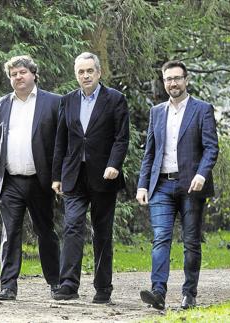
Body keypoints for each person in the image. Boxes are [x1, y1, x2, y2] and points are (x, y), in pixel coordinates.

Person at [136, 60, 219, 310]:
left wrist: (202, 174)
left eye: (177, 78)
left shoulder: (202, 109)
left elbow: (211, 147)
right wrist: (142, 185)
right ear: (164, 82)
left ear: (186, 79)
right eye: (168, 79)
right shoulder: (156, 112)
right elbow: (150, 153)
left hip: (191, 187)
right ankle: (158, 292)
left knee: (191, 241)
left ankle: (189, 293)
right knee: (161, 237)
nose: (173, 83)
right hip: (160, 185)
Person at [51, 52, 130, 304]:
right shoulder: (68, 101)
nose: (85, 76)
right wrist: (56, 176)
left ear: (98, 73)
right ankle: (68, 284)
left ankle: (103, 287)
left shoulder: (115, 99)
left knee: (102, 232)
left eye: (89, 71)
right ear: (76, 75)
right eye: (81, 72)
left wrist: (114, 164)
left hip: (104, 176)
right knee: (72, 226)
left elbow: (121, 137)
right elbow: (60, 141)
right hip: (74, 176)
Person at [0, 55, 61, 301]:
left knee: (45, 232)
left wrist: (57, 177)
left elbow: (60, 143)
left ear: (33, 74)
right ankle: (8, 286)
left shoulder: (53, 102)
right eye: (13, 74)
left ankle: (56, 283)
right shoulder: (0, 104)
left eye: (22, 72)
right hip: (10, 181)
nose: (18, 77)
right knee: (10, 234)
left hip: (41, 181)